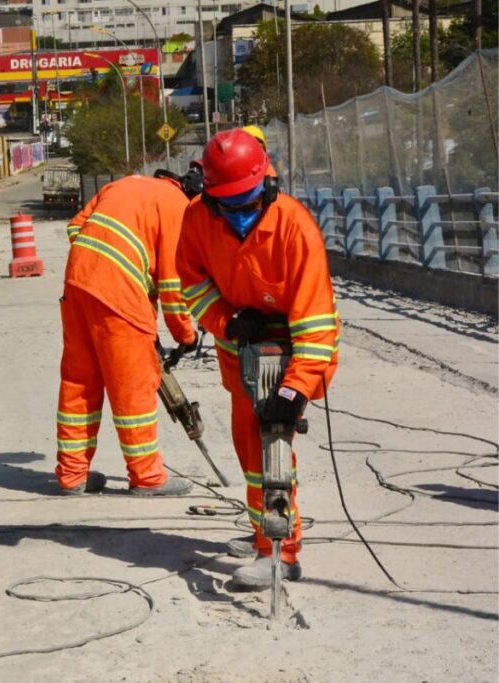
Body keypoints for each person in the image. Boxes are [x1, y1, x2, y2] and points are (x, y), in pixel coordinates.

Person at [175, 128, 340, 587]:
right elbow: (192, 282)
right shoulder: (198, 219)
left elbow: (315, 324)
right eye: (229, 205)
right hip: (241, 355)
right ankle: (261, 534)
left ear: (266, 184)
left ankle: (281, 551)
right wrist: (227, 321)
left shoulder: (294, 227)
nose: (239, 215)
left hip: (293, 355)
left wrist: (294, 389)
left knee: (272, 446)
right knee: (250, 451)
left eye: (247, 203)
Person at [56, 174, 199, 497]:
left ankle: (72, 475)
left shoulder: (121, 185)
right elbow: (173, 283)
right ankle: (147, 477)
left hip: (77, 285)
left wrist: (100, 265)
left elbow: (75, 228)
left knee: (79, 385)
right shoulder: (179, 207)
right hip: (119, 298)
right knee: (132, 389)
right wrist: (185, 336)